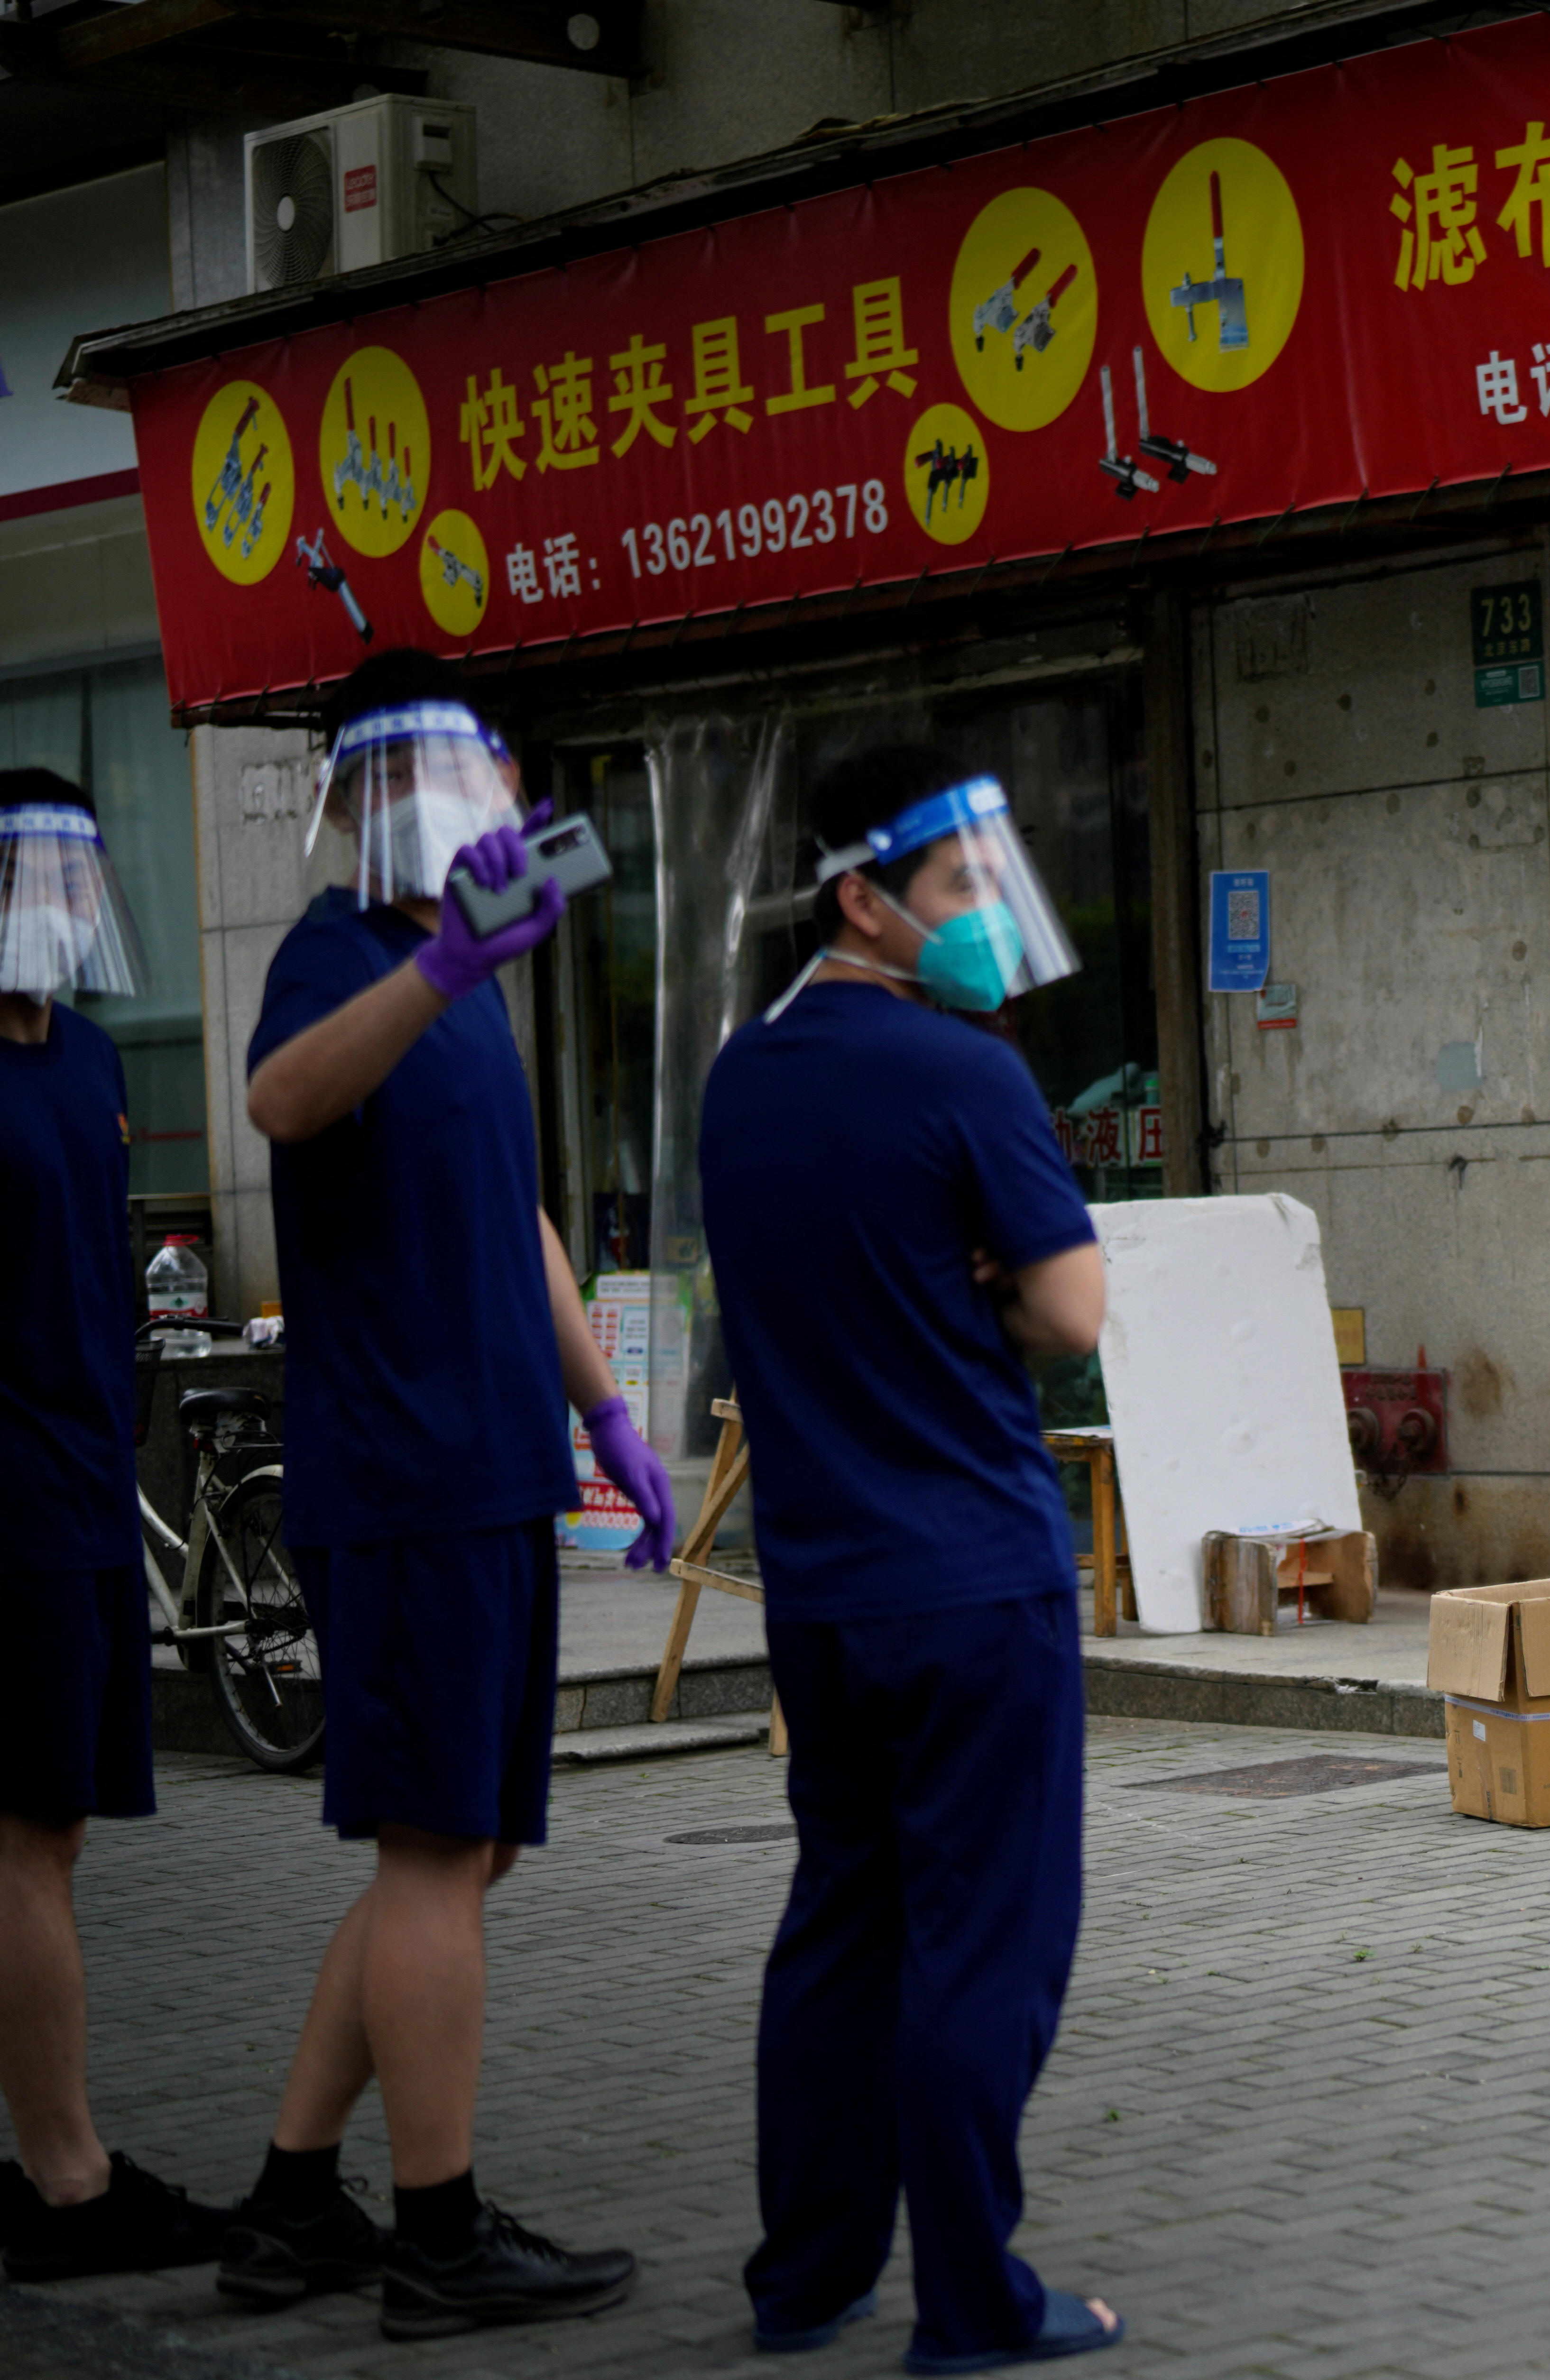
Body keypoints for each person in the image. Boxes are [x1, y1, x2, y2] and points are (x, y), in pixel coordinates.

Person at [223, 652, 665, 2339]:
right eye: (432, 775)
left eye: (484, 773)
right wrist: (441, 968)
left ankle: (291, 2199)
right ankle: (438, 2232)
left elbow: (519, 1218)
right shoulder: (341, 956)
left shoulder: (470, 978)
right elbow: (280, 1097)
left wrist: (607, 1410)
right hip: (402, 1476)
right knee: (430, 1852)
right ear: (360, 799)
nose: (474, 804)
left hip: (491, 1470)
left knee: (466, 1854)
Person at [701, 745, 1121, 2368]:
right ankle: (971, 2301)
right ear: (861, 898)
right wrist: (992, 1283)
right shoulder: (966, 1073)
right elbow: (1073, 1308)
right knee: (979, 1943)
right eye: (960, 884)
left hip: (821, 1586)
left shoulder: (743, 1078)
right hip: (973, 1579)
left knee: (843, 1922)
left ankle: (806, 2277)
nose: (986, 912)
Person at [0, 772, 234, 2281]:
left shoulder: (86, 1056)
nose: (72, 906)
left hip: (88, 1479)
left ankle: (53, 2154)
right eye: (46, 876)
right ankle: (67, 2176)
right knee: (29, 1829)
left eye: (85, 878)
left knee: (58, 1828)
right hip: (11, 1502)